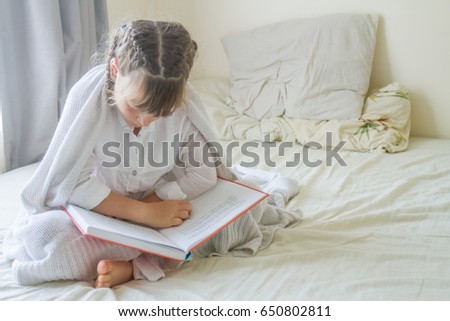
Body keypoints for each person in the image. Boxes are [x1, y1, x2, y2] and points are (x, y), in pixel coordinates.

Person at [4, 20, 301, 288]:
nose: (145, 120)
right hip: (101, 209)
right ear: (114, 70)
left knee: (234, 224)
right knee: (44, 238)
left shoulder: (184, 105)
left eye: (161, 113)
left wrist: (158, 202)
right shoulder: (88, 99)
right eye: (135, 106)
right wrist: (142, 214)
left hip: (163, 206)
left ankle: (135, 266)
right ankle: (147, 258)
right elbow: (70, 182)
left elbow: (202, 174)